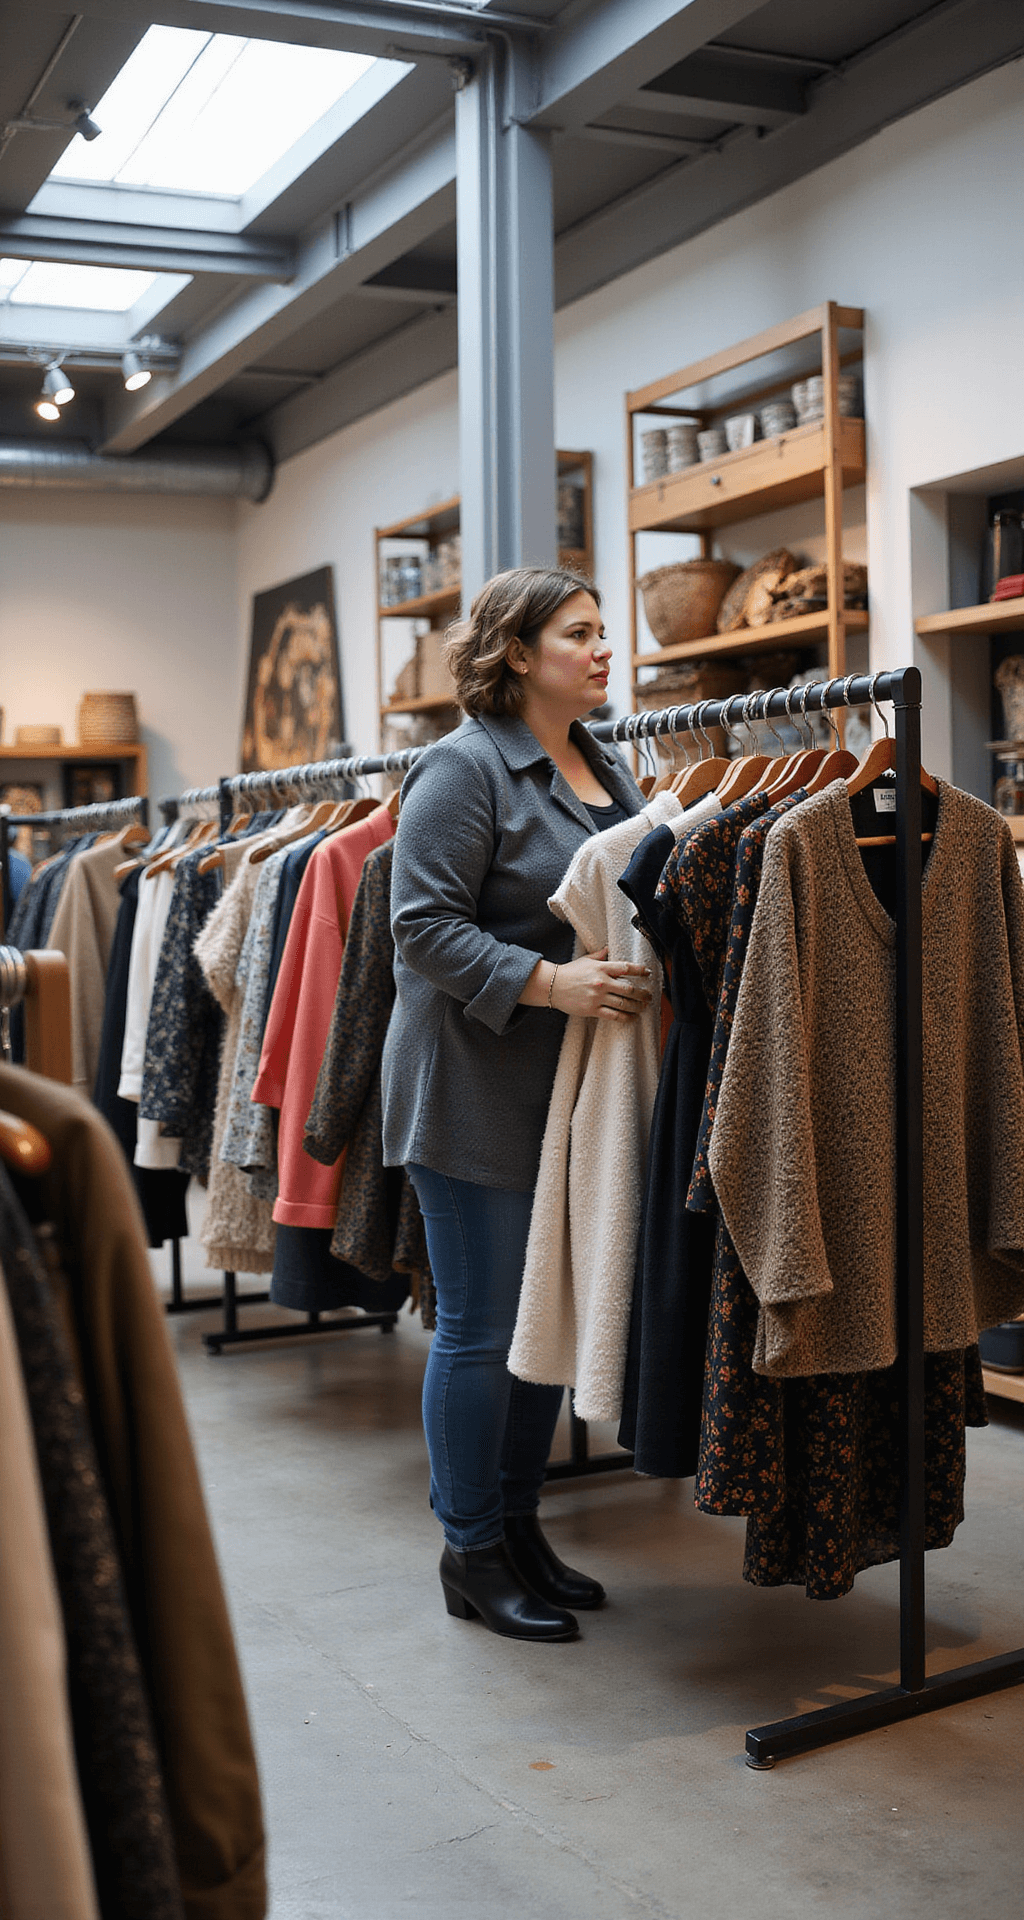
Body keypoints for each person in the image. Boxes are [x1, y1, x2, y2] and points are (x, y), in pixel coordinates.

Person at [382, 566, 653, 1642]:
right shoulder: (462, 769)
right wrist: (550, 982)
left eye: (603, 633)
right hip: (471, 1087)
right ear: (516, 652)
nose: (603, 651)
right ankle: (470, 1549)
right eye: (579, 634)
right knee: (482, 1329)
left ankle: (522, 1528)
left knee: (541, 1314)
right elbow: (420, 925)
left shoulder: (605, 763)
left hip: (568, 1089)